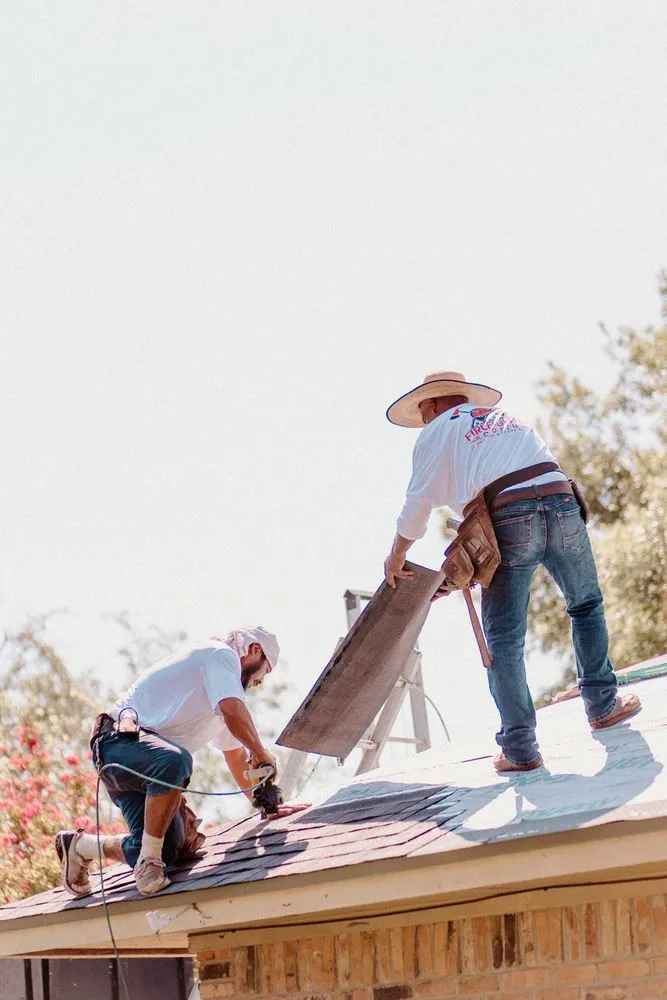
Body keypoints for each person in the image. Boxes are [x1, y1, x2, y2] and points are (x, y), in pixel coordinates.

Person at [382, 370, 641, 773]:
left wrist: (396, 554)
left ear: (433, 405)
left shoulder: (435, 433)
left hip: (508, 512)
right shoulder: (504, 419)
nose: (423, 417)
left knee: (503, 639)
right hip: (559, 499)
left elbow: (419, 506)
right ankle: (604, 706)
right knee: (585, 604)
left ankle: (520, 748)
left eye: (423, 410)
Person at [56, 626, 307, 897]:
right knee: (176, 761)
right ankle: (148, 862)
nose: (260, 681)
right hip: (118, 744)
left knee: (170, 848)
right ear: (254, 650)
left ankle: (81, 847)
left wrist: (263, 805)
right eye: (265, 671)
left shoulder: (221, 692)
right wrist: (261, 753)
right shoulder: (221, 656)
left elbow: (234, 755)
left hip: (143, 770)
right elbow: (234, 714)